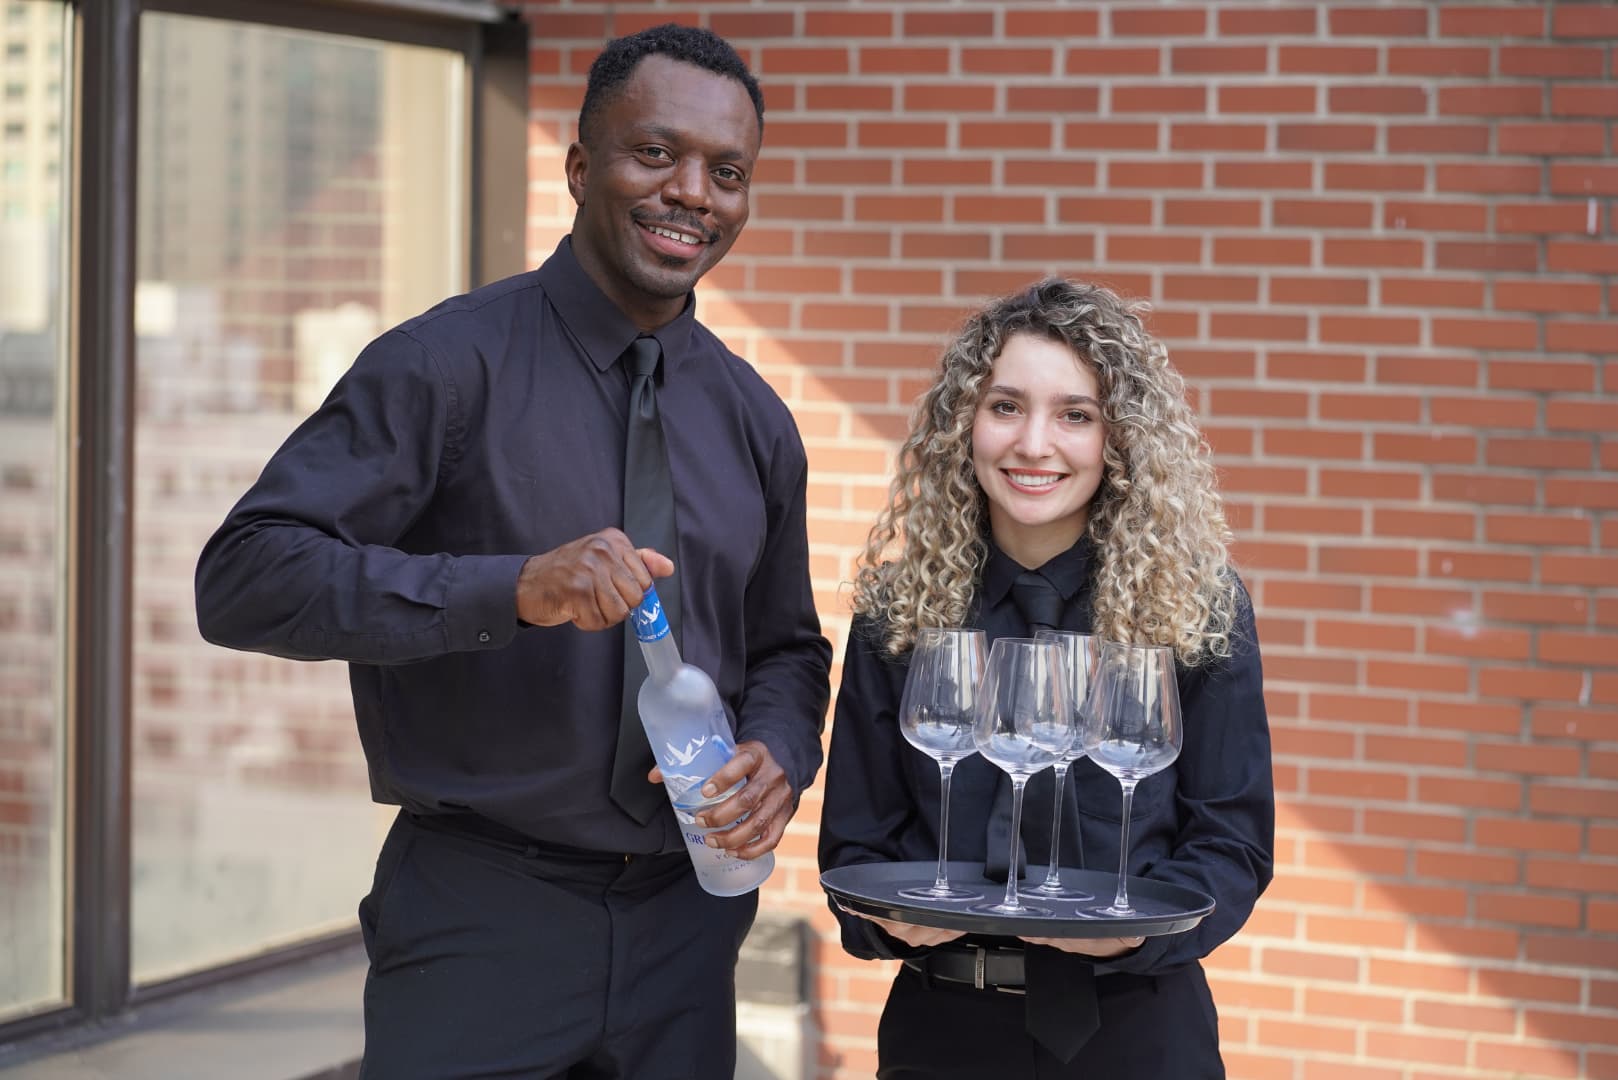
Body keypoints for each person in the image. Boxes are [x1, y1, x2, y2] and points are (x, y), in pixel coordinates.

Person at [194, 24, 831, 1080]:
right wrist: (514, 590)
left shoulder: (757, 421)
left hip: (689, 924)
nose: (692, 193)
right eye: (654, 154)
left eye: (727, 172)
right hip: (481, 917)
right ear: (580, 166)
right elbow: (247, 576)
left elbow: (789, 648)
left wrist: (778, 754)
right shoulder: (441, 367)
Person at [819, 278, 1273, 1078]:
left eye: (1075, 415)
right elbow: (855, 843)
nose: (1034, 444)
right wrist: (890, 923)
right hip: (941, 1033)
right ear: (964, 423)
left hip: (1135, 1032)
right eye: (1004, 407)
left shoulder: (1196, 605)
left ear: (1120, 438)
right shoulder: (900, 608)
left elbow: (1232, 844)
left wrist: (1134, 929)